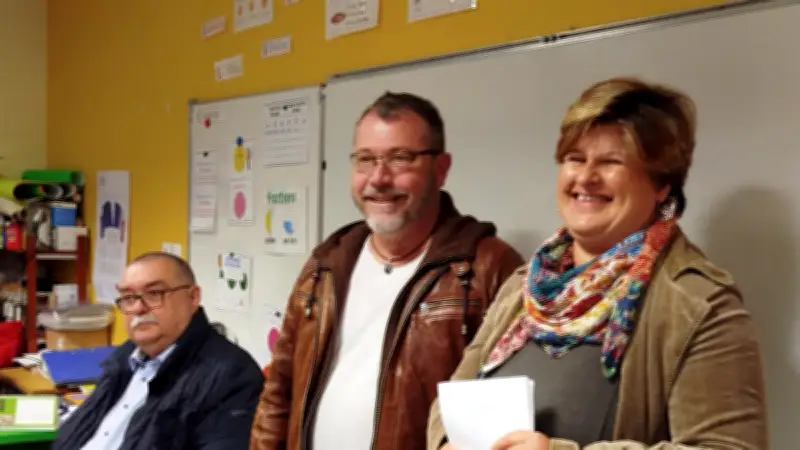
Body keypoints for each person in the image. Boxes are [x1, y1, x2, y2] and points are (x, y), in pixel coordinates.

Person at [427, 77, 769, 450]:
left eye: (611, 162)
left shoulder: (699, 302)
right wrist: (448, 443)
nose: (586, 178)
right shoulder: (526, 285)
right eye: (575, 158)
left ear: (662, 184)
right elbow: (450, 403)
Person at [249, 92, 524, 450]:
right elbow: (278, 391)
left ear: (441, 169)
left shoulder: (488, 268)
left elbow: (502, 423)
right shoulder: (326, 263)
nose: (378, 178)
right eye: (365, 160)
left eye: (400, 158)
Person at [54, 252, 264, 450]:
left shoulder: (231, 375)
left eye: (154, 294)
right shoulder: (126, 355)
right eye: (128, 298)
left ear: (193, 297)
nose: (138, 308)